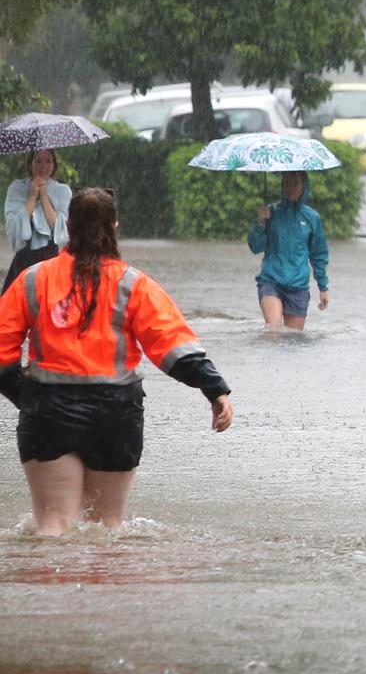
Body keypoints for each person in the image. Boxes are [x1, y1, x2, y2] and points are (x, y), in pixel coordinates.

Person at [0, 188, 233, 536]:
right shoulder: (133, 284)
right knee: (108, 529)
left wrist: (28, 397)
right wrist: (215, 390)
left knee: (51, 526)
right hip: (115, 415)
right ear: (115, 227)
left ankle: (47, 590)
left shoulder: (33, 279)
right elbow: (171, 345)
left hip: (48, 413)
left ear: (67, 225)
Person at [248, 171, 329, 330]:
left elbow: (318, 254)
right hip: (271, 282)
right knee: (274, 329)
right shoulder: (271, 213)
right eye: (286, 183)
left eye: (295, 183)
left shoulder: (312, 218)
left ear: (304, 186)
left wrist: (323, 287)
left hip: (298, 287)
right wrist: (260, 223)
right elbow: (255, 246)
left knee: (293, 340)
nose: (290, 188)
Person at [3, 149, 72, 293]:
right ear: (30, 164)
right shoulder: (17, 188)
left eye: (48, 161)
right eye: (38, 161)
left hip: (51, 258)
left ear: (54, 165)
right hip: (24, 258)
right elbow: (14, 228)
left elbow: (60, 230)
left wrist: (45, 197)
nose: (43, 166)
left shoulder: (63, 191)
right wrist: (32, 197)